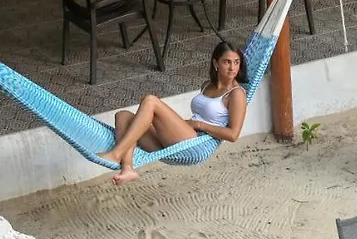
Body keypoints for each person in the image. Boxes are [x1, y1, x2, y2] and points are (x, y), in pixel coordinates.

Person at [99, 41, 249, 185]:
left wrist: (198, 124)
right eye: (227, 62)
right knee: (123, 116)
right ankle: (127, 169)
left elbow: (233, 135)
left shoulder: (236, 94)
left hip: (197, 144)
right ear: (216, 63)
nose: (232, 68)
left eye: (236, 62)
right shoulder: (207, 85)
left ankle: (116, 154)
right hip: (183, 137)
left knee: (150, 101)